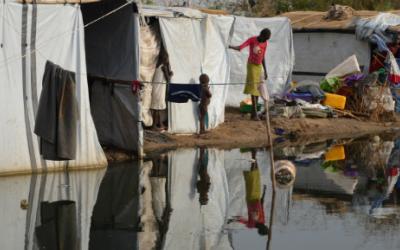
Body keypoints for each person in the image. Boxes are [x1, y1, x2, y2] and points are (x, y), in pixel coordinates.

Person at [229, 28, 271, 120]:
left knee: (258, 88)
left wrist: (265, 70)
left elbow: (263, 57)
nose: (265, 40)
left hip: (259, 67)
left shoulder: (265, 43)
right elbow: (240, 47)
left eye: (267, 39)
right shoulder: (252, 40)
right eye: (265, 38)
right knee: (253, 89)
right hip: (251, 66)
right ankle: (254, 113)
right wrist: (230, 46)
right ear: (261, 34)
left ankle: (254, 113)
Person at [228, 149, 269, 235]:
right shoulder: (262, 221)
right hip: (256, 196)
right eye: (265, 227)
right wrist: (264, 192)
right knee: (256, 174)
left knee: (252, 176)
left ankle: (253, 154)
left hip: (251, 198)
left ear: (261, 229)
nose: (264, 225)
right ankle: (253, 154)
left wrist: (234, 219)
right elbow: (262, 206)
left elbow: (243, 221)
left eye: (264, 227)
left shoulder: (252, 224)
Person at [151, 44, 173, 132]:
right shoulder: (163, 67)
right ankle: (154, 126)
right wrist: (170, 74)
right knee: (157, 108)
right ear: (165, 59)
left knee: (158, 107)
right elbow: (168, 79)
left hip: (157, 88)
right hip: (159, 89)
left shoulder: (157, 65)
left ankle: (160, 124)